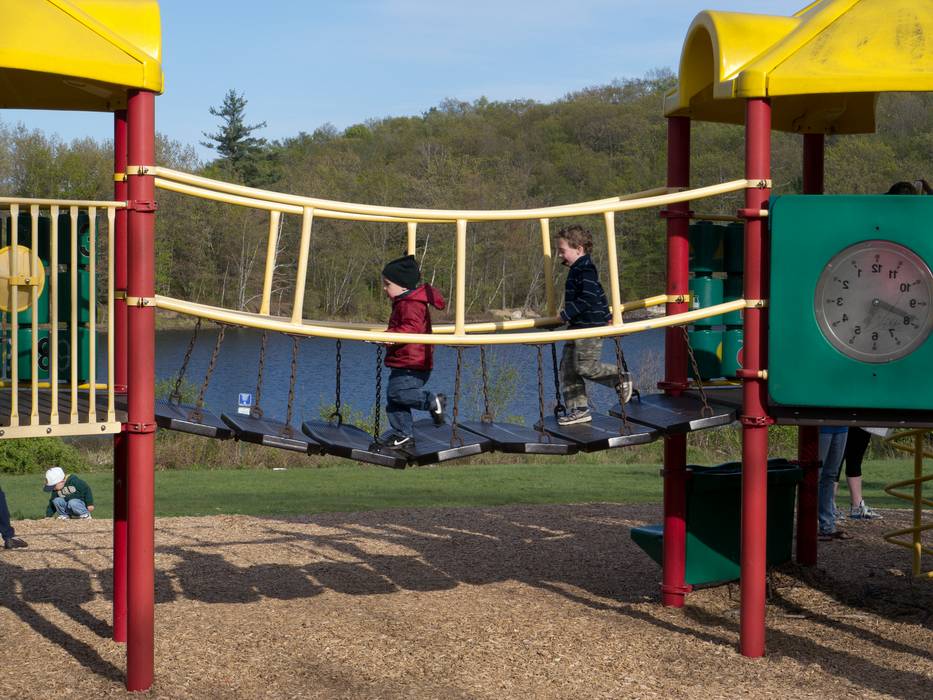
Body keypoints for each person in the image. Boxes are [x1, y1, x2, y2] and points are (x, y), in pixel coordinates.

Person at [555, 225, 632, 425]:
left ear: (579, 249)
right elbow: (599, 292)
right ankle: (578, 409)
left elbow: (588, 297)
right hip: (577, 326)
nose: (559, 255)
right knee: (568, 369)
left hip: (588, 327)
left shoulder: (585, 268)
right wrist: (606, 314)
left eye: (563, 250)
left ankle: (618, 377)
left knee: (585, 367)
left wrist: (565, 314)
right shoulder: (578, 268)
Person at [377, 254, 447, 451]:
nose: (384, 288)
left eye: (387, 284)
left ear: (402, 285)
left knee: (398, 393)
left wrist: (391, 336)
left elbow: (411, 328)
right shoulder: (405, 301)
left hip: (413, 362)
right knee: (394, 398)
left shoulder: (411, 303)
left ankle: (432, 401)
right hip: (405, 360)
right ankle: (404, 435)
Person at [836, 427, 883, 520]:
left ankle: (857, 507)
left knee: (855, 458)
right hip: (840, 418)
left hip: (862, 418)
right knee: (835, 461)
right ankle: (828, 506)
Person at [818, 426, 852, 541]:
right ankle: (808, 526)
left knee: (830, 475)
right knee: (815, 474)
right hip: (821, 426)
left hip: (841, 427)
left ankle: (827, 527)